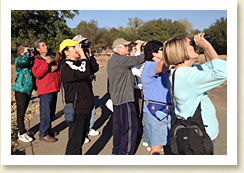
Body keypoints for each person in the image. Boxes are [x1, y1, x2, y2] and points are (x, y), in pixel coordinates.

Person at [162, 33, 227, 153]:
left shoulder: (180, 72)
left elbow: (209, 67)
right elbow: (223, 73)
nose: (195, 45)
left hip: (193, 130)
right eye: (191, 44)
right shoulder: (187, 76)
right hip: (200, 133)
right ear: (180, 51)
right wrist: (207, 47)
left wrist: (205, 47)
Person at [107, 38, 145, 155]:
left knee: (119, 128)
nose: (127, 47)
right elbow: (139, 59)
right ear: (118, 48)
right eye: (125, 46)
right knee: (129, 127)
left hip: (118, 99)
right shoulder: (120, 59)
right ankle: (126, 154)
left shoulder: (114, 60)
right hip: (125, 99)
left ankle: (117, 151)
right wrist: (147, 49)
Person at [59, 39, 96, 155]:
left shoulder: (79, 62)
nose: (77, 48)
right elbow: (84, 72)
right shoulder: (65, 66)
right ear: (66, 52)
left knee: (79, 140)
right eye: (73, 47)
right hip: (77, 107)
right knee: (74, 142)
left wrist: (87, 54)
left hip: (86, 106)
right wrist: (83, 56)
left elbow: (94, 68)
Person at [141, 40, 171, 155]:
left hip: (157, 111)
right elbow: (168, 64)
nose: (164, 51)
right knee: (156, 149)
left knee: (156, 147)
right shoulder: (150, 66)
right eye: (162, 49)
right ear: (154, 53)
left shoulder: (156, 67)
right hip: (157, 112)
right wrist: (171, 49)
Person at [73, 35, 100, 144]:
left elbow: (95, 68)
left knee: (91, 107)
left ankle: (89, 128)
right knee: (80, 113)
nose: (86, 45)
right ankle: (81, 134)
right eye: (83, 43)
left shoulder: (86, 55)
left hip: (88, 86)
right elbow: (82, 72)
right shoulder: (74, 58)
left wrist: (90, 55)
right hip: (78, 89)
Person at [32, 39, 60, 143]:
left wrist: (56, 65)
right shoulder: (37, 60)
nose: (46, 47)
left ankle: (48, 130)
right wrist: (47, 64)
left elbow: (55, 70)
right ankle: (43, 134)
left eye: (45, 44)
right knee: (46, 113)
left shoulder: (50, 58)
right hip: (45, 90)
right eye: (43, 45)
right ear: (38, 49)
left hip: (53, 88)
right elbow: (37, 74)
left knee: (51, 112)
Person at [12, 44, 35, 142]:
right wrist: (26, 54)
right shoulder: (19, 60)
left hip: (28, 90)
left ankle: (23, 129)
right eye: (27, 51)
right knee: (20, 113)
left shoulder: (29, 60)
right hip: (20, 89)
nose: (29, 52)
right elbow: (23, 62)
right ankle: (21, 133)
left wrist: (34, 54)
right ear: (21, 52)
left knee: (24, 111)